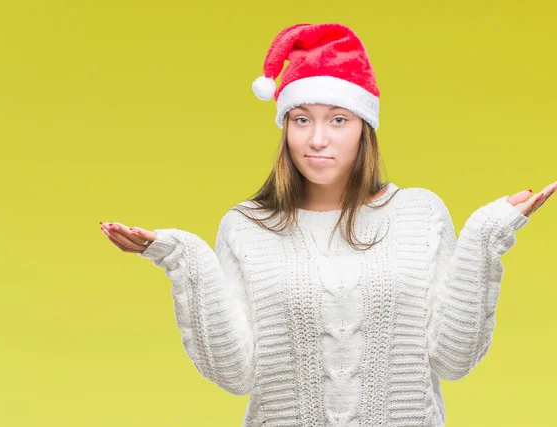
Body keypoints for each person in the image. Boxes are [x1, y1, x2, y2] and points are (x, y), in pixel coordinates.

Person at [100, 22, 556, 427]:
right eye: (302, 120)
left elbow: (453, 361)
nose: (317, 139)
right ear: (286, 128)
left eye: (338, 120)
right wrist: (183, 257)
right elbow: (235, 374)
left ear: (364, 128)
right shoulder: (246, 226)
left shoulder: (420, 213)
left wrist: (484, 237)